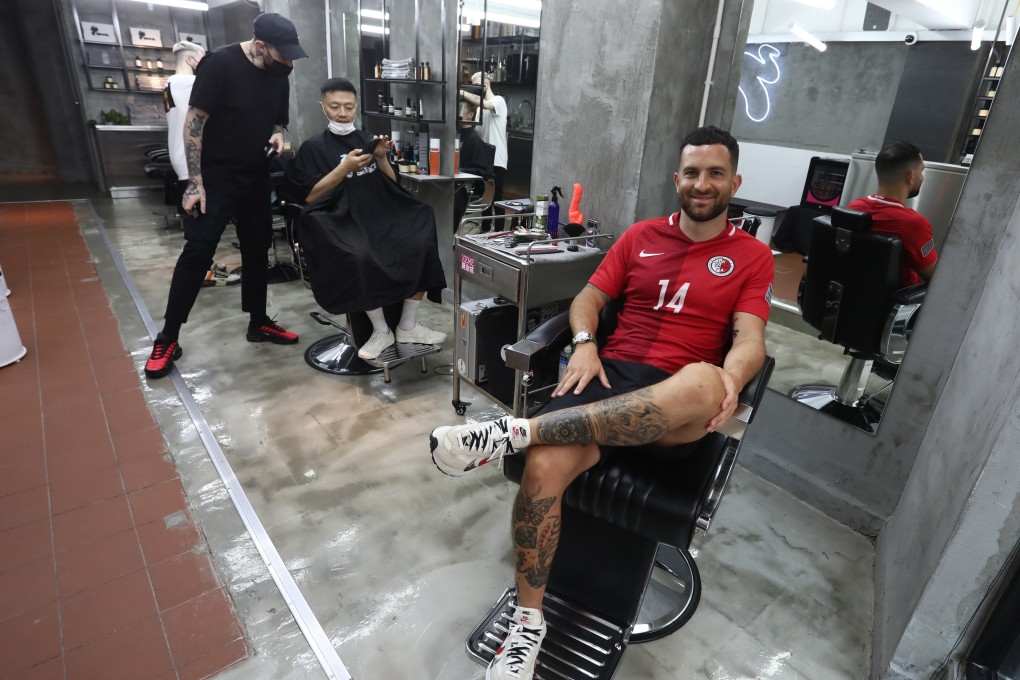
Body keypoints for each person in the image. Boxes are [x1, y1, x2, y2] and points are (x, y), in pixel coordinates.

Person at [429, 126, 774, 680]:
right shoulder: (640, 237)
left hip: (677, 406)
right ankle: (528, 625)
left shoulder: (751, 256)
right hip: (611, 378)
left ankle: (514, 431)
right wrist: (586, 343)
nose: (702, 183)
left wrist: (731, 379)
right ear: (677, 179)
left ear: (734, 182)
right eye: (691, 172)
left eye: (715, 173)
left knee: (703, 381)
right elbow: (588, 297)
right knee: (543, 467)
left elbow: (750, 338)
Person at [144, 13, 307, 380]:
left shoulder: (279, 73)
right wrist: (195, 182)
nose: (289, 63)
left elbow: (277, 121)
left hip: (256, 177)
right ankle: (168, 337)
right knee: (198, 251)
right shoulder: (219, 65)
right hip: (215, 179)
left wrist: (278, 134)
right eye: (283, 55)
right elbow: (194, 124)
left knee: (257, 249)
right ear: (261, 46)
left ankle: (258, 322)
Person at [285, 78, 448, 360]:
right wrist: (343, 168)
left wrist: (382, 158)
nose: (342, 113)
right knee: (360, 254)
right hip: (339, 219)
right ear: (323, 107)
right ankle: (381, 330)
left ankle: (407, 325)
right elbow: (311, 196)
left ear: (356, 106)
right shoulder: (313, 148)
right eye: (335, 106)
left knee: (420, 242)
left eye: (348, 107)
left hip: (376, 214)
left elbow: (392, 183)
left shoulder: (367, 140)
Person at [848, 141, 938, 286]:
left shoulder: (854, 207)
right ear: (910, 177)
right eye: (921, 171)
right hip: (899, 297)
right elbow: (935, 275)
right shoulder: (913, 223)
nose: (922, 177)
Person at [459, 72, 507, 231]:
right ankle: (485, 231)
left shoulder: (498, 101)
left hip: (497, 159)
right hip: (483, 159)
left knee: (497, 200)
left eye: (477, 85)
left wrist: (462, 92)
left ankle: (499, 233)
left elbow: (486, 104)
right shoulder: (479, 109)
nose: (475, 89)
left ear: (486, 84)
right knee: (486, 198)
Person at [162, 41, 205, 198]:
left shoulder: (169, 83)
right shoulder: (190, 82)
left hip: (178, 153)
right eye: (202, 60)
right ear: (189, 59)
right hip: (192, 158)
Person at [454, 100, 496, 233]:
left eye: (461, 111)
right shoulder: (455, 135)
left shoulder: (473, 139)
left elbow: (485, 172)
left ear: (471, 115)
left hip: (464, 188)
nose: (457, 114)